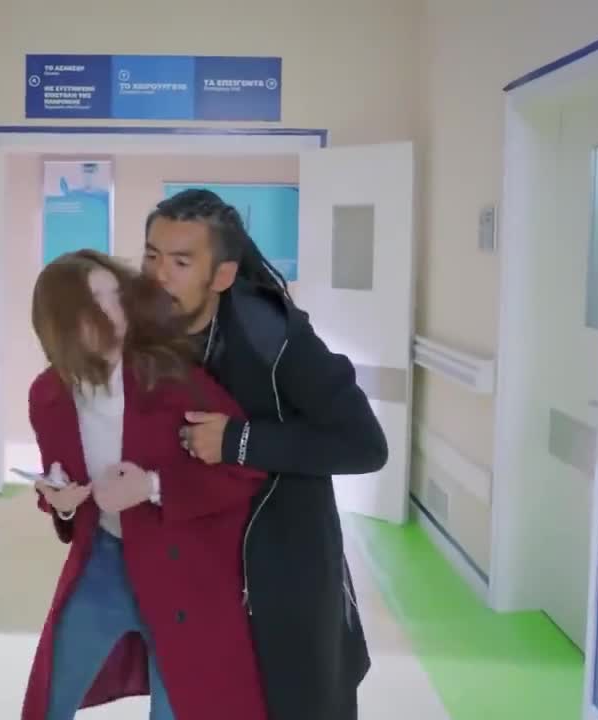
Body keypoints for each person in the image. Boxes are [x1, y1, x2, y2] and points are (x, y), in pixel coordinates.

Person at [141, 189, 389, 720]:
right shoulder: (147, 335)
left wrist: (240, 441)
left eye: (181, 262)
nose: (159, 275)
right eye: (152, 255)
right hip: (198, 576)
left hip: (286, 578)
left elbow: (366, 445)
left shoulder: (274, 338)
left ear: (222, 275)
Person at [20, 249, 270, 720]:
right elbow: (59, 482)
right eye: (96, 300)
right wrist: (63, 501)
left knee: (177, 708)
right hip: (102, 562)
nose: (115, 311)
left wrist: (154, 486)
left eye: (116, 295)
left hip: (182, 569)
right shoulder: (48, 395)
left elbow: (246, 468)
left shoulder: (175, 380)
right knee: (48, 700)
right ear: (62, 321)